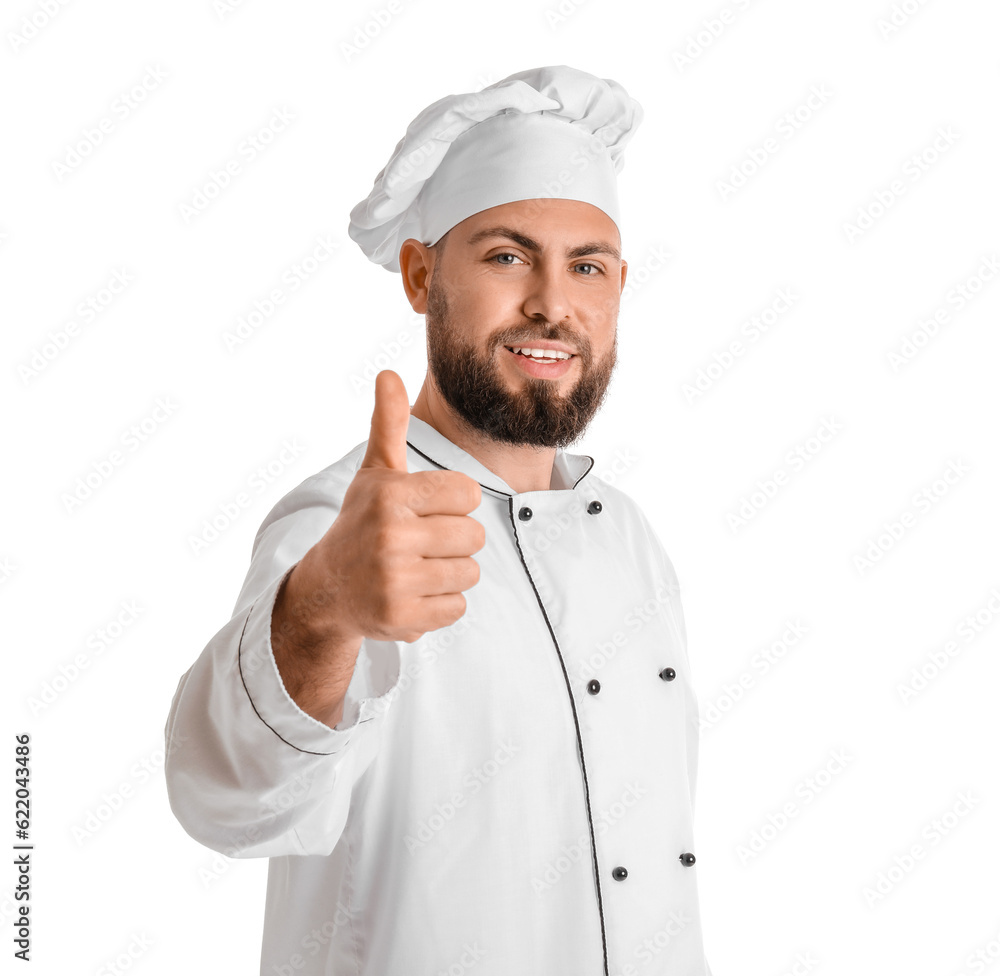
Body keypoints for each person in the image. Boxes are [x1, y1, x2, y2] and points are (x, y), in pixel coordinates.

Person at [165, 64, 714, 976]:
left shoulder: (630, 538)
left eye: (587, 265)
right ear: (422, 276)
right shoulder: (344, 525)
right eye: (506, 255)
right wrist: (327, 607)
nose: (552, 302)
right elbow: (227, 798)